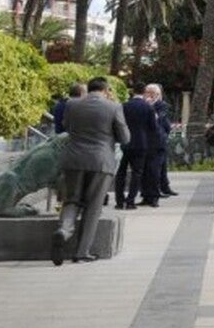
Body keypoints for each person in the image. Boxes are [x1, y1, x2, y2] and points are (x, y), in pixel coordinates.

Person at [52, 77, 130, 265]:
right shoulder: (114, 107)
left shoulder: (72, 104)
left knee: (71, 200)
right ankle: (81, 252)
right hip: (100, 162)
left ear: (89, 88)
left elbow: (67, 126)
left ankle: (64, 230)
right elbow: (125, 137)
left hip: (73, 159)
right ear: (106, 90)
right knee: (93, 206)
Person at [115, 82, 158, 210]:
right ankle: (130, 201)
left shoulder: (124, 106)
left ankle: (119, 201)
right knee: (137, 173)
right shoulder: (148, 107)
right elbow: (153, 127)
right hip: (141, 144)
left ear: (132, 92)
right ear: (144, 92)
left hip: (125, 142)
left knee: (121, 173)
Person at [145, 84, 176, 198]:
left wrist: (150, 106)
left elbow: (159, 118)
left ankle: (162, 187)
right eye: (148, 93)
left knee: (160, 166)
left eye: (152, 93)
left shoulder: (161, 105)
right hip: (149, 140)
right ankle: (156, 189)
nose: (149, 95)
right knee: (155, 167)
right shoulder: (144, 104)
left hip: (159, 139)